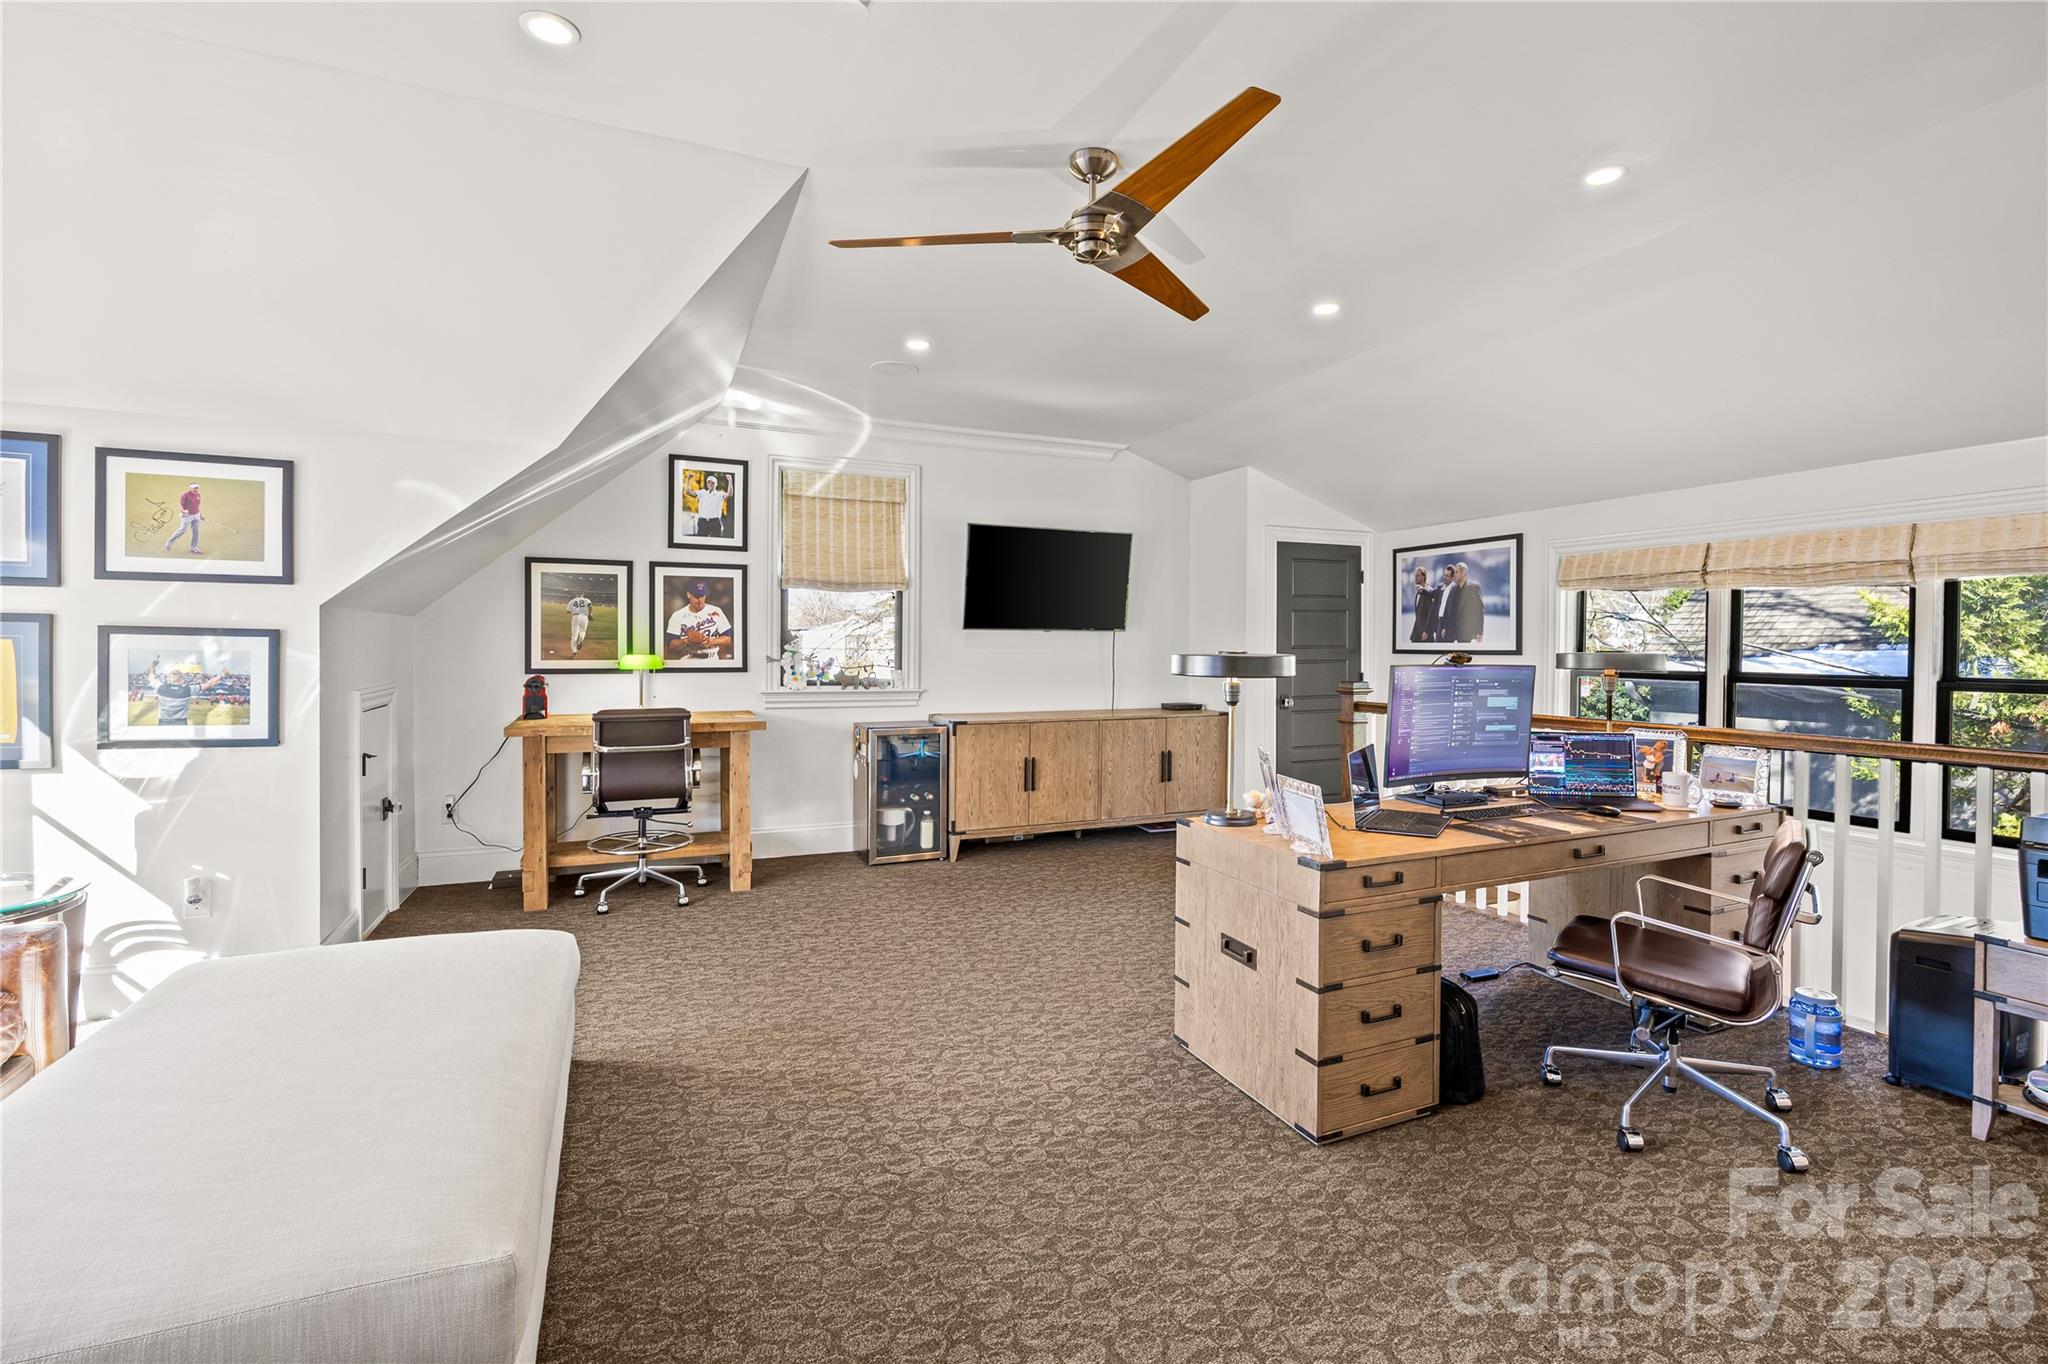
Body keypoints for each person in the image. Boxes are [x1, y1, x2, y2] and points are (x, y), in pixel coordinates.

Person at [665, 580, 733, 661]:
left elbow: (727, 638)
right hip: (688, 659)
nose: (700, 599)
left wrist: (710, 641)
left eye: (702, 596)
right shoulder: (677, 615)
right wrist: (686, 640)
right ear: (688, 594)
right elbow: (670, 645)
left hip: (712, 659)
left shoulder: (716, 611)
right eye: (696, 596)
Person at [146, 658, 196, 725]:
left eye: (174, 674)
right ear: (181, 678)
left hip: (164, 722)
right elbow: (209, 684)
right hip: (181, 722)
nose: (173, 674)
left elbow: (151, 677)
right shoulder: (187, 689)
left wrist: (153, 666)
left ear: (169, 677)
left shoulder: (161, 687)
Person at [1449, 562, 1485, 643]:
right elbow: (1452, 610)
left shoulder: (1473, 587)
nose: (1455, 574)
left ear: (1464, 572)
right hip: (1454, 632)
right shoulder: (1454, 588)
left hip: (1467, 632)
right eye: (1454, 572)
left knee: (1464, 655)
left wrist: (1480, 632)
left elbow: (1479, 611)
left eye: (1457, 572)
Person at [164, 483, 203, 555]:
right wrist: (182, 510)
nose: (196, 489)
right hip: (187, 516)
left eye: (197, 488)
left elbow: (197, 506)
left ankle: (194, 547)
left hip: (196, 515)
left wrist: (201, 515)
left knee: (196, 531)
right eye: (194, 488)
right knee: (182, 530)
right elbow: (180, 504)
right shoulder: (185, 495)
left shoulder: (198, 495)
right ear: (190, 488)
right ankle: (169, 543)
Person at [1407, 566, 1441, 644]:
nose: (1415, 578)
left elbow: (1431, 614)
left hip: (1425, 634)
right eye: (1415, 576)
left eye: (1417, 576)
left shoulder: (1428, 592)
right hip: (1417, 632)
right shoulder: (1418, 592)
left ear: (1423, 577)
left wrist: (1427, 631)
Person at [696, 474, 729, 539]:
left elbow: (729, 494)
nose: (710, 484)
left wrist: (730, 481)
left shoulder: (720, 494)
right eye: (709, 482)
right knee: (700, 542)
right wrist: (688, 480)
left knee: (716, 542)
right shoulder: (702, 493)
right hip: (703, 521)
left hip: (715, 522)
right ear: (707, 483)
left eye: (712, 483)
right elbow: (688, 492)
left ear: (716, 484)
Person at [565, 592, 594, 657]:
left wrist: (574, 610)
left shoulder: (572, 601)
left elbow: (567, 611)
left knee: (574, 635)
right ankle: (581, 639)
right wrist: (590, 614)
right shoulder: (586, 600)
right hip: (584, 617)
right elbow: (590, 606)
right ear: (582, 595)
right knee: (583, 631)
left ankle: (574, 651)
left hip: (575, 617)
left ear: (576, 594)